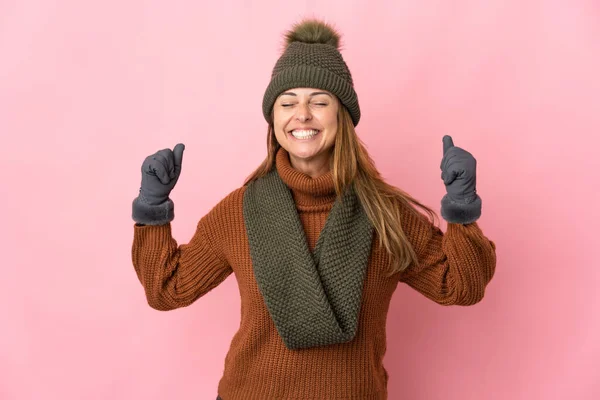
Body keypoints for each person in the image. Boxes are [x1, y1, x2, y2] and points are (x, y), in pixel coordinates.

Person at [130, 18, 496, 400]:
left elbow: (461, 287)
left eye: (319, 101)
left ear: (343, 116)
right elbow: (166, 290)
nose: (302, 114)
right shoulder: (239, 212)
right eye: (288, 102)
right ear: (274, 118)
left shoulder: (385, 214)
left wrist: (462, 207)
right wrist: (152, 208)